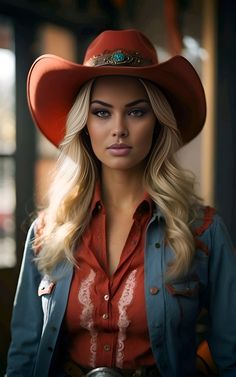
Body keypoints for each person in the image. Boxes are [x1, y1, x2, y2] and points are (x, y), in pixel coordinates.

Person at [6, 29, 236, 377]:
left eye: (136, 112)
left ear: (158, 123)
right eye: (101, 113)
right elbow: (23, 356)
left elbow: (231, 354)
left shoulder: (203, 231)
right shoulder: (47, 232)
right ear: (84, 124)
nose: (118, 129)